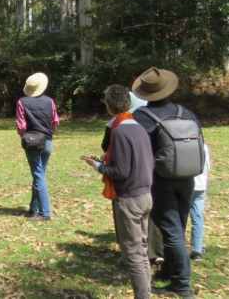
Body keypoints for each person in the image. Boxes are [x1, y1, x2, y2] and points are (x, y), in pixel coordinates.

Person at [132, 67, 200, 298]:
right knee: (178, 228)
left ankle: (182, 286)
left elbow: (136, 150)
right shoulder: (186, 113)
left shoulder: (141, 116)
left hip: (160, 179)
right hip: (188, 177)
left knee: (171, 232)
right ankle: (170, 272)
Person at [83, 85, 155, 299]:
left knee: (133, 255)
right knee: (141, 252)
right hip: (145, 194)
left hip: (130, 199)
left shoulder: (121, 130)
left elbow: (120, 171)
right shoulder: (138, 127)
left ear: (108, 106)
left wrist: (95, 166)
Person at [16, 72, 59, 222]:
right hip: (47, 141)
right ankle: (33, 208)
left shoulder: (22, 102)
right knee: (39, 175)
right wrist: (47, 135)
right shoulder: (50, 101)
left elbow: (21, 126)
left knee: (38, 176)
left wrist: (25, 138)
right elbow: (55, 122)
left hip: (32, 143)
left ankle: (45, 213)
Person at [190, 144, 211, 260]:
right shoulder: (203, 146)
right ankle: (196, 249)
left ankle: (178, 247)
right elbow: (208, 166)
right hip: (201, 183)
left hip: (185, 183)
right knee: (198, 217)